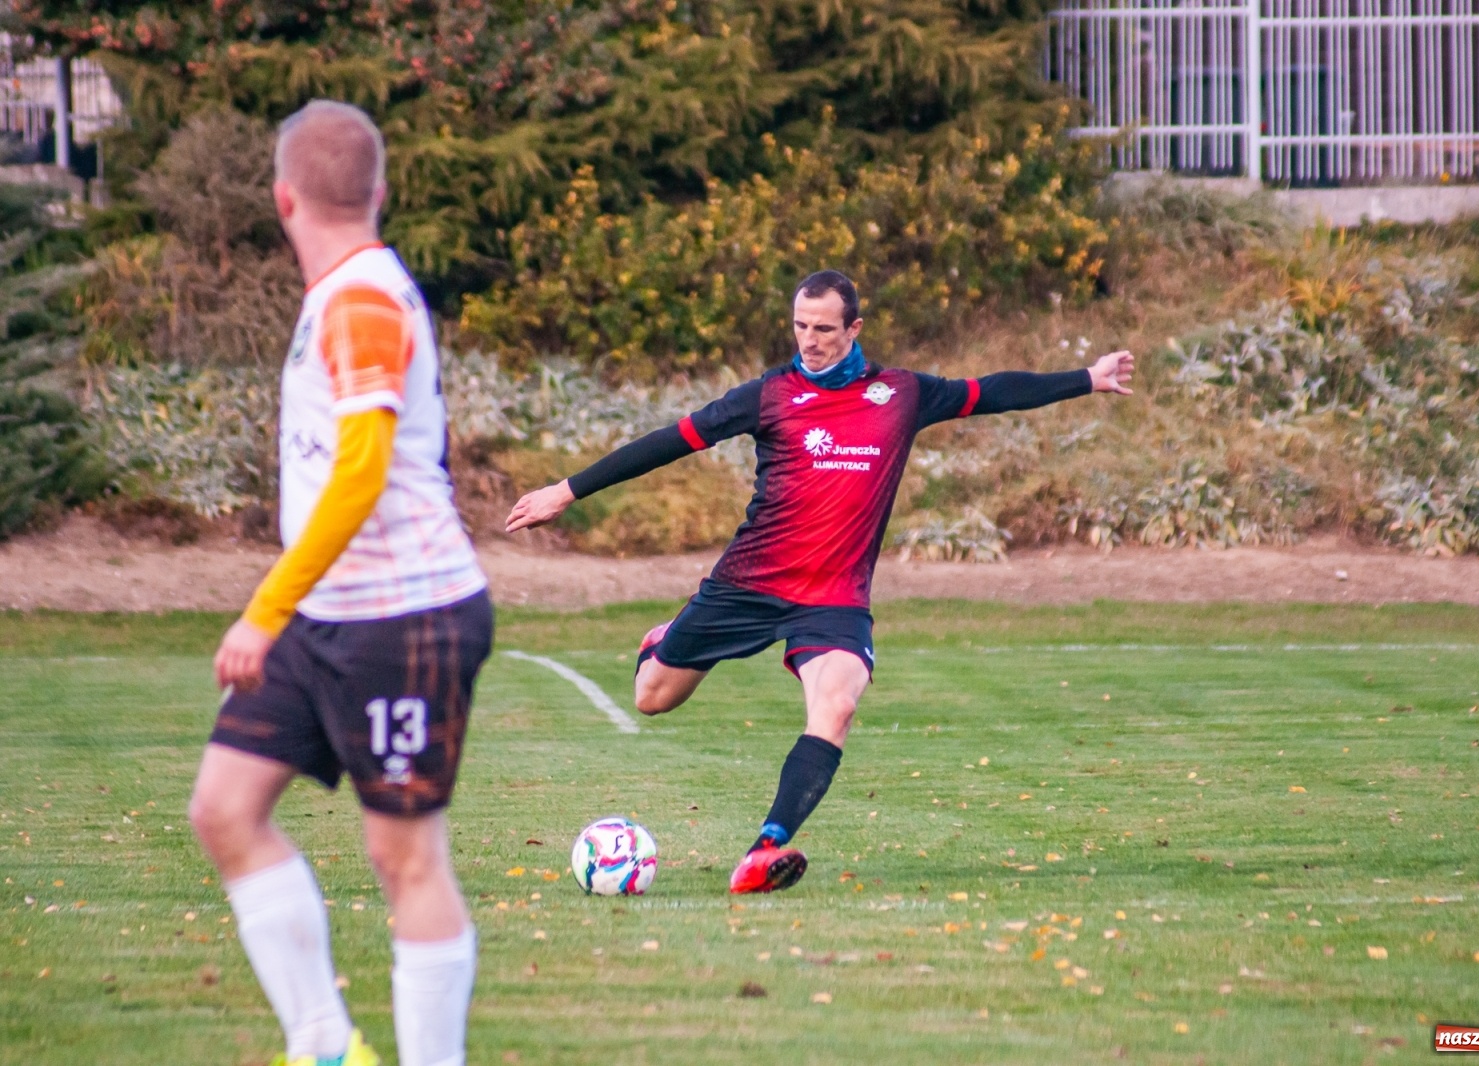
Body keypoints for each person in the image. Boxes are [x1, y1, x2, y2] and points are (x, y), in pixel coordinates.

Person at [507, 270, 1134, 894]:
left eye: (825, 328)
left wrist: (1087, 378)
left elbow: (992, 391)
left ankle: (764, 851)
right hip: (748, 582)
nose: (810, 340)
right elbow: (673, 441)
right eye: (801, 326)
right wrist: (567, 491)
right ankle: (666, 637)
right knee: (652, 697)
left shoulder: (902, 394)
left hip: (833, 598)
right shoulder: (769, 395)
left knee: (836, 705)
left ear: (853, 328)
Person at [188, 100, 493, 1066]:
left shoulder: (362, 297)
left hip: (403, 619)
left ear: (282, 197)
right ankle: (325, 1044)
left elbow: (362, 472)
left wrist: (262, 608)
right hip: (328, 619)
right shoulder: (343, 293)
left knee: (404, 857)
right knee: (225, 810)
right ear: (381, 190)